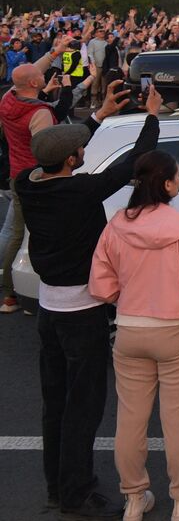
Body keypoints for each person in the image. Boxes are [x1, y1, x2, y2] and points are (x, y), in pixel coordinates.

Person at [17, 79, 161, 519]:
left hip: (48, 310)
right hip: (83, 313)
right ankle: (77, 494)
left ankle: (58, 487)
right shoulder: (78, 191)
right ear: (73, 160)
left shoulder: (28, 182)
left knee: (55, 404)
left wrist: (97, 117)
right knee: (84, 407)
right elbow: (136, 162)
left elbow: (59, 149)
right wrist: (151, 114)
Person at [88, 150, 179, 521]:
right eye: (177, 176)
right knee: (178, 420)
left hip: (131, 328)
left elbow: (101, 285)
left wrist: (127, 299)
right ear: (167, 184)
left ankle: (134, 498)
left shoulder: (116, 225)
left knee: (130, 419)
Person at [0, 32, 71, 313]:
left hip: (16, 172)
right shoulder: (40, 113)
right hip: (35, 177)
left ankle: (8, 287)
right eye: (39, 77)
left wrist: (55, 52)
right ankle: (12, 292)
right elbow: (47, 149)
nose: (44, 75)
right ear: (34, 83)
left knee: (11, 231)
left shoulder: (9, 98)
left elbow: (31, 73)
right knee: (28, 235)